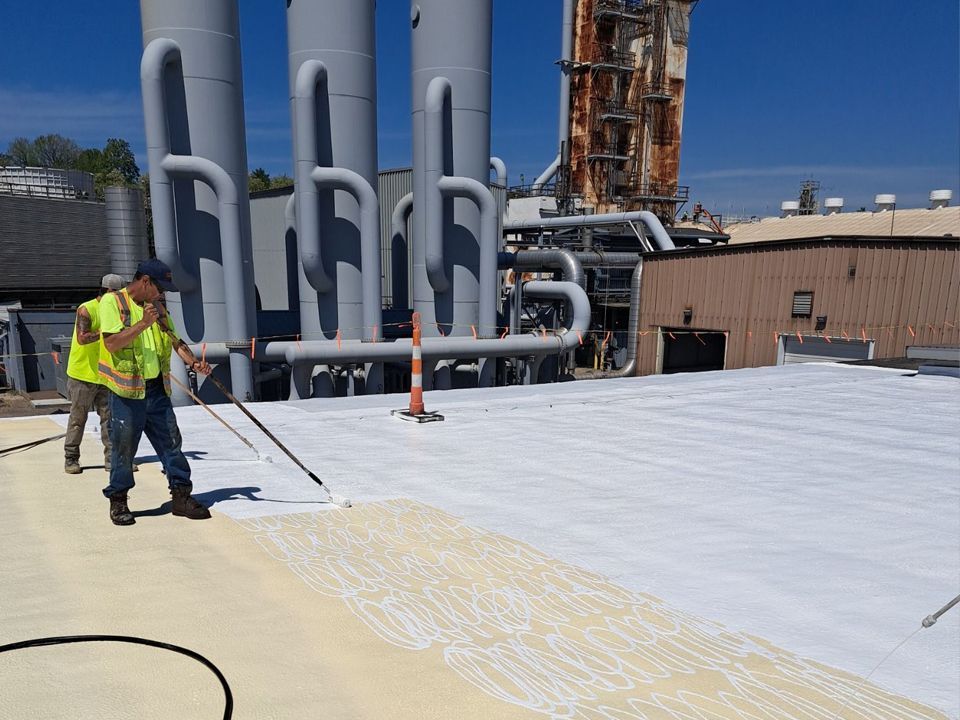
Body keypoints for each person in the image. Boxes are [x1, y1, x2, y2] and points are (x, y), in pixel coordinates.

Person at [98, 258, 213, 526]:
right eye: (159, 288)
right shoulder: (113, 303)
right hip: (126, 393)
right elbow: (112, 343)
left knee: (172, 444)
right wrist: (142, 324)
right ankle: (119, 501)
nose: (162, 294)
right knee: (124, 449)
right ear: (145, 281)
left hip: (156, 390)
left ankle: (181, 497)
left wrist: (193, 361)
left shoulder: (157, 308)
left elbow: (175, 340)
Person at [63, 274, 125, 474]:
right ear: (108, 292)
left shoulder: (117, 311)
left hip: (106, 374)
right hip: (83, 374)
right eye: (118, 294)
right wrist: (107, 331)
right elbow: (82, 338)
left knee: (109, 419)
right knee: (77, 418)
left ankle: (111, 460)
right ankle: (71, 458)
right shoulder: (87, 309)